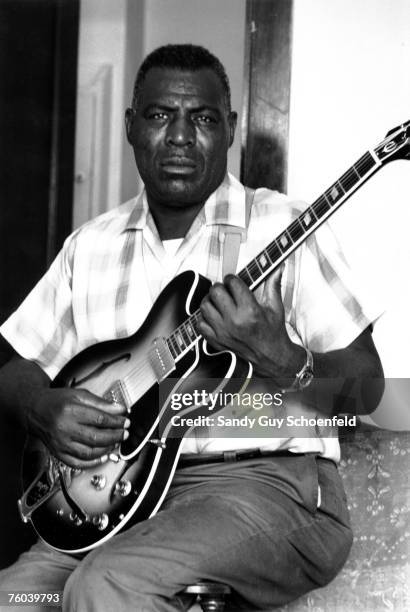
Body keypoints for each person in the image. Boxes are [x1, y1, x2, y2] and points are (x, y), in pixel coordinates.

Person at [0, 44, 384, 611]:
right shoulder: (91, 246)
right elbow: (16, 370)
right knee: (17, 597)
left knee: (106, 585)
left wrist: (283, 358)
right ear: (131, 127)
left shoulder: (284, 226)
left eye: (202, 119)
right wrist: (42, 408)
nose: (180, 136)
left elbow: (368, 390)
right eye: (159, 116)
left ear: (229, 129)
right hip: (126, 503)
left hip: (268, 489)